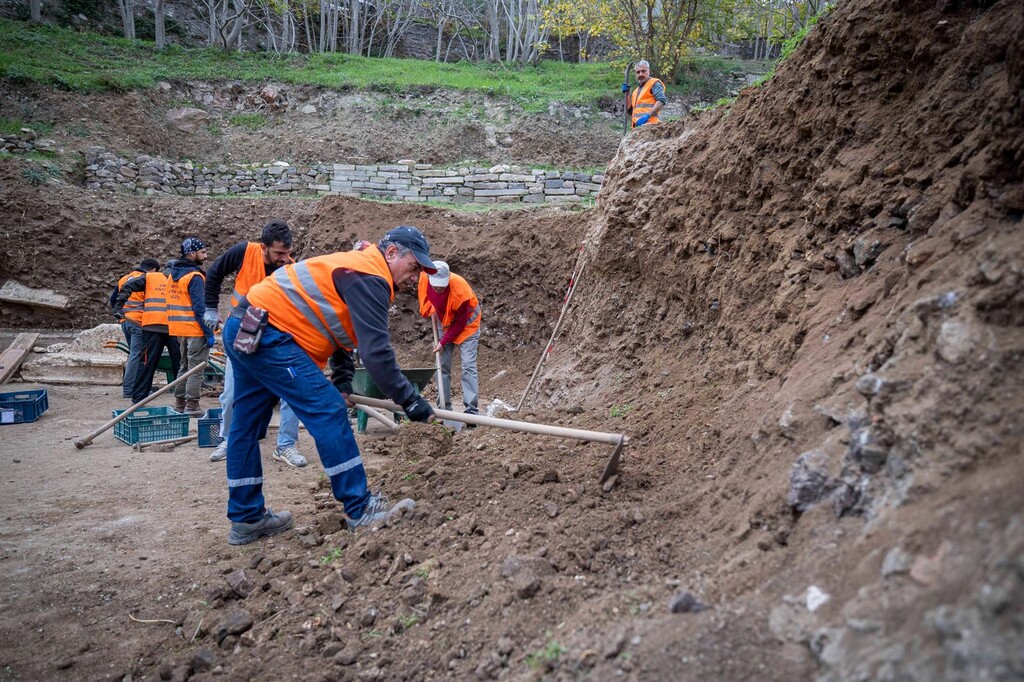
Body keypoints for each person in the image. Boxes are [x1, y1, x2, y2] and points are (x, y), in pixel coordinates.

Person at [221, 226, 437, 545]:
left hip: (247, 325)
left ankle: (246, 517)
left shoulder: (359, 268)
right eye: (414, 266)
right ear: (392, 253)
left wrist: (342, 382)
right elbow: (376, 354)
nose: (415, 277)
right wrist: (412, 401)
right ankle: (360, 508)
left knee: (246, 425)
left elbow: (338, 329)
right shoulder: (370, 277)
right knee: (328, 410)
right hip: (270, 335)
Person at [203, 219, 306, 467]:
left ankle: (286, 445)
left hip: (273, 337)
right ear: (264, 247)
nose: (284, 258)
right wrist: (209, 308)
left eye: (288, 253)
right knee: (230, 394)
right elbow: (215, 273)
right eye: (279, 253)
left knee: (290, 393)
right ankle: (228, 439)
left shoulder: (291, 269)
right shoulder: (244, 252)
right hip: (240, 334)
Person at [417, 260, 481, 416]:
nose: (438, 288)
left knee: (468, 366)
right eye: (436, 285)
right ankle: (444, 408)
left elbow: (459, 324)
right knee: (442, 366)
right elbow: (424, 298)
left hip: (467, 326)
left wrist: (443, 342)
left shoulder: (461, 291)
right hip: (443, 323)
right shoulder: (425, 277)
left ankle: (471, 411)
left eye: (442, 286)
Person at [113, 260, 181, 404]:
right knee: (179, 364)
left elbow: (127, 287)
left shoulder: (151, 277)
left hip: (154, 328)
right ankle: (183, 401)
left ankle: (138, 399)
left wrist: (119, 306)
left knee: (146, 364)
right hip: (171, 328)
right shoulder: (182, 279)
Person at [168, 237, 215, 417]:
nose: (205, 256)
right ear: (192, 253)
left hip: (180, 328)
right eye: (202, 252)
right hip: (195, 329)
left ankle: (180, 403)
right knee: (197, 368)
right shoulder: (194, 277)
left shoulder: (174, 275)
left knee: (184, 366)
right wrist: (208, 331)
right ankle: (192, 405)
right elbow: (199, 307)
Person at [110, 258, 160, 400]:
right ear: (153, 270)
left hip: (126, 321)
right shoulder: (148, 279)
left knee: (134, 354)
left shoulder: (124, 278)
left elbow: (113, 300)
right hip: (139, 321)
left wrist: (121, 317)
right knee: (137, 355)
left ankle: (137, 385)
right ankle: (129, 389)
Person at [625, 60, 666, 128]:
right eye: (638, 72)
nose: (640, 74)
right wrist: (627, 95)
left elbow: (661, 101)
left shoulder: (654, 83)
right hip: (637, 128)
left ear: (648, 71)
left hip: (652, 126)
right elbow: (631, 112)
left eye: (643, 71)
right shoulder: (635, 91)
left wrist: (647, 116)